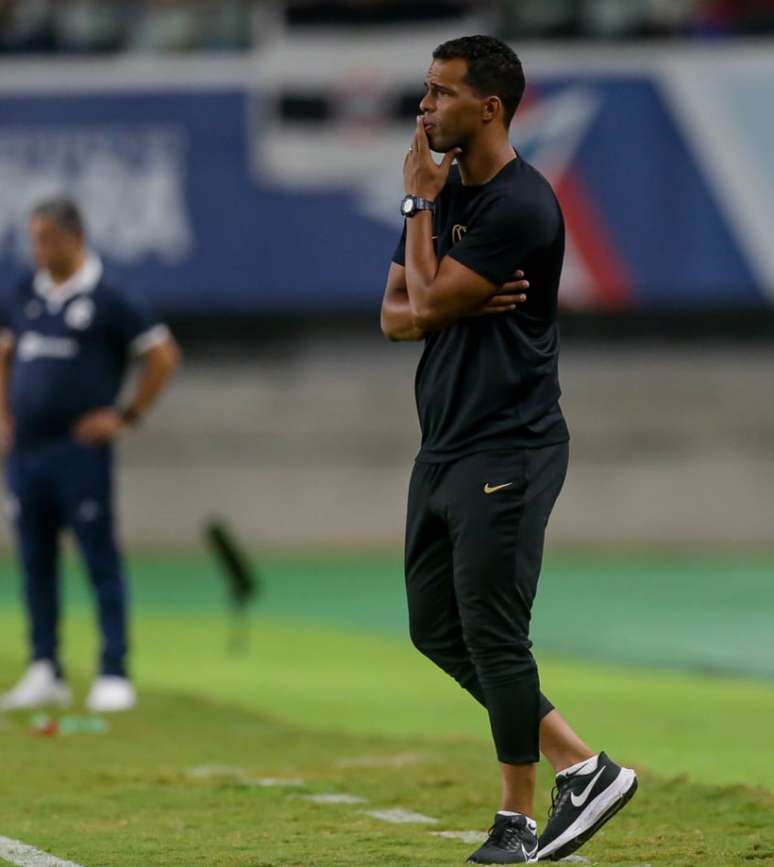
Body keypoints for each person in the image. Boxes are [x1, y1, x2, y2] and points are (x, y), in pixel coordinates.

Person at [380, 36, 637, 864]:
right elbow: (394, 313)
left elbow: (419, 299)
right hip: (445, 442)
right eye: (425, 93)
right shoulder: (446, 188)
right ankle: (583, 764)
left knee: (494, 629)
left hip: (510, 443)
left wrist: (421, 222)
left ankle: (515, 822)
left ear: (488, 107)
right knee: (434, 627)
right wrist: (442, 295)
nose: (424, 110)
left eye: (440, 94)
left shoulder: (521, 204)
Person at [0, 196, 179, 713]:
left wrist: (126, 417)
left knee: (98, 558)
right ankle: (44, 668)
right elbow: (6, 354)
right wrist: (5, 417)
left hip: (78, 452)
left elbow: (163, 357)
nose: (37, 250)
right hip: (27, 453)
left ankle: (114, 670)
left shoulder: (111, 297)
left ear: (73, 238)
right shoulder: (23, 295)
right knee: (34, 560)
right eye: (33, 239)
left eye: (45, 239)